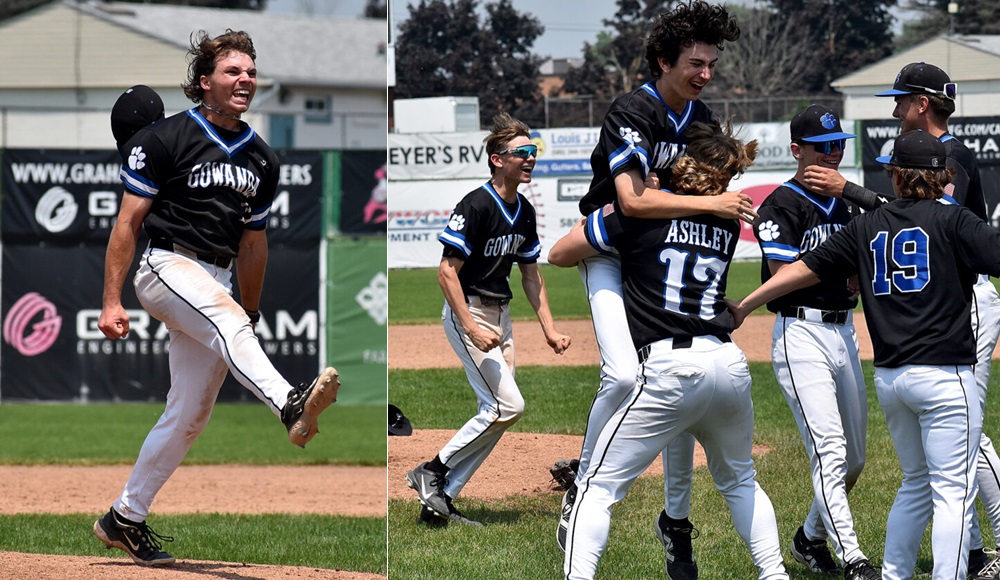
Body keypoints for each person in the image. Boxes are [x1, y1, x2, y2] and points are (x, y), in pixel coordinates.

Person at [92, 30, 340, 566]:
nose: (245, 79)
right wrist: (111, 301)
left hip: (218, 279)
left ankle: (124, 518)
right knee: (225, 321)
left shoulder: (262, 159)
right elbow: (127, 224)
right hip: (166, 265)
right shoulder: (167, 138)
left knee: (189, 414)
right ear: (204, 81)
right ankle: (289, 403)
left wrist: (249, 308)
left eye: (250, 71)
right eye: (232, 70)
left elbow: (253, 244)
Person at [734, 130, 1000, 580]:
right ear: (943, 176)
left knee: (916, 485)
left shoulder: (866, 225)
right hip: (945, 373)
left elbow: (803, 269)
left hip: (893, 379)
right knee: (952, 493)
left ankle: (894, 575)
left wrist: (744, 305)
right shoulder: (953, 220)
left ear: (895, 176)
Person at [557, 5, 751, 578]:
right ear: (664, 61)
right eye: (695, 63)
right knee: (623, 375)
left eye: (712, 63)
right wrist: (710, 202)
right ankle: (583, 485)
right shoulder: (633, 110)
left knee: (676, 373)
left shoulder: (700, 115)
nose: (706, 74)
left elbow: (699, 180)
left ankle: (677, 520)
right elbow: (633, 200)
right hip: (610, 247)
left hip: (658, 248)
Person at [550, 120, 787, 580]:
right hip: (727, 363)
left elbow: (559, 253)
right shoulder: (725, 220)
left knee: (597, 488)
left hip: (670, 368)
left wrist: (616, 213)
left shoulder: (639, 215)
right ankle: (774, 573)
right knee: (742, 482)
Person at [804, 62, 1000, 575]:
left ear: (921, 103)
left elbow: (924, 214)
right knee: (949, 455)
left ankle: (983, 546)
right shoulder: (941, 153)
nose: (894, 110)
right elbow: (913, 217)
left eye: (899, 100)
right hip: (944, 301)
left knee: (964, 444)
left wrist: (851, 192)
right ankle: (972, 551)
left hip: (965, 298)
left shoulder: (951, 154)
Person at [405, 112, 571, 528]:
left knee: (500, 412)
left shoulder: (525, 210)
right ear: (498, 159)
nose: (531, 158)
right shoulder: (476, 205)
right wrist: (471, 327)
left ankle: (440, 501)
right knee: (508, 405)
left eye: (534, 150)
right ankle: (432, 470)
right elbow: (447, 272)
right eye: (522, 152)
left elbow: (531, 275)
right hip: (471, 312)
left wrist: (549, 328)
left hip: (501, 314)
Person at [751, 105, 880, 579]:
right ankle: (854, 558)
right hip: (801, 333)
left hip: (845, 331)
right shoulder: (781, 204)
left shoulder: (847, 201)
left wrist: (857, 269)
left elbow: (897, 221)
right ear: (796, 150)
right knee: (830, 450)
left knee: (855, 459)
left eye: (838, 144)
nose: (832, 154)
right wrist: (842, 267)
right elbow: (782, 274)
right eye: (822, 146)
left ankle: (809, 536)